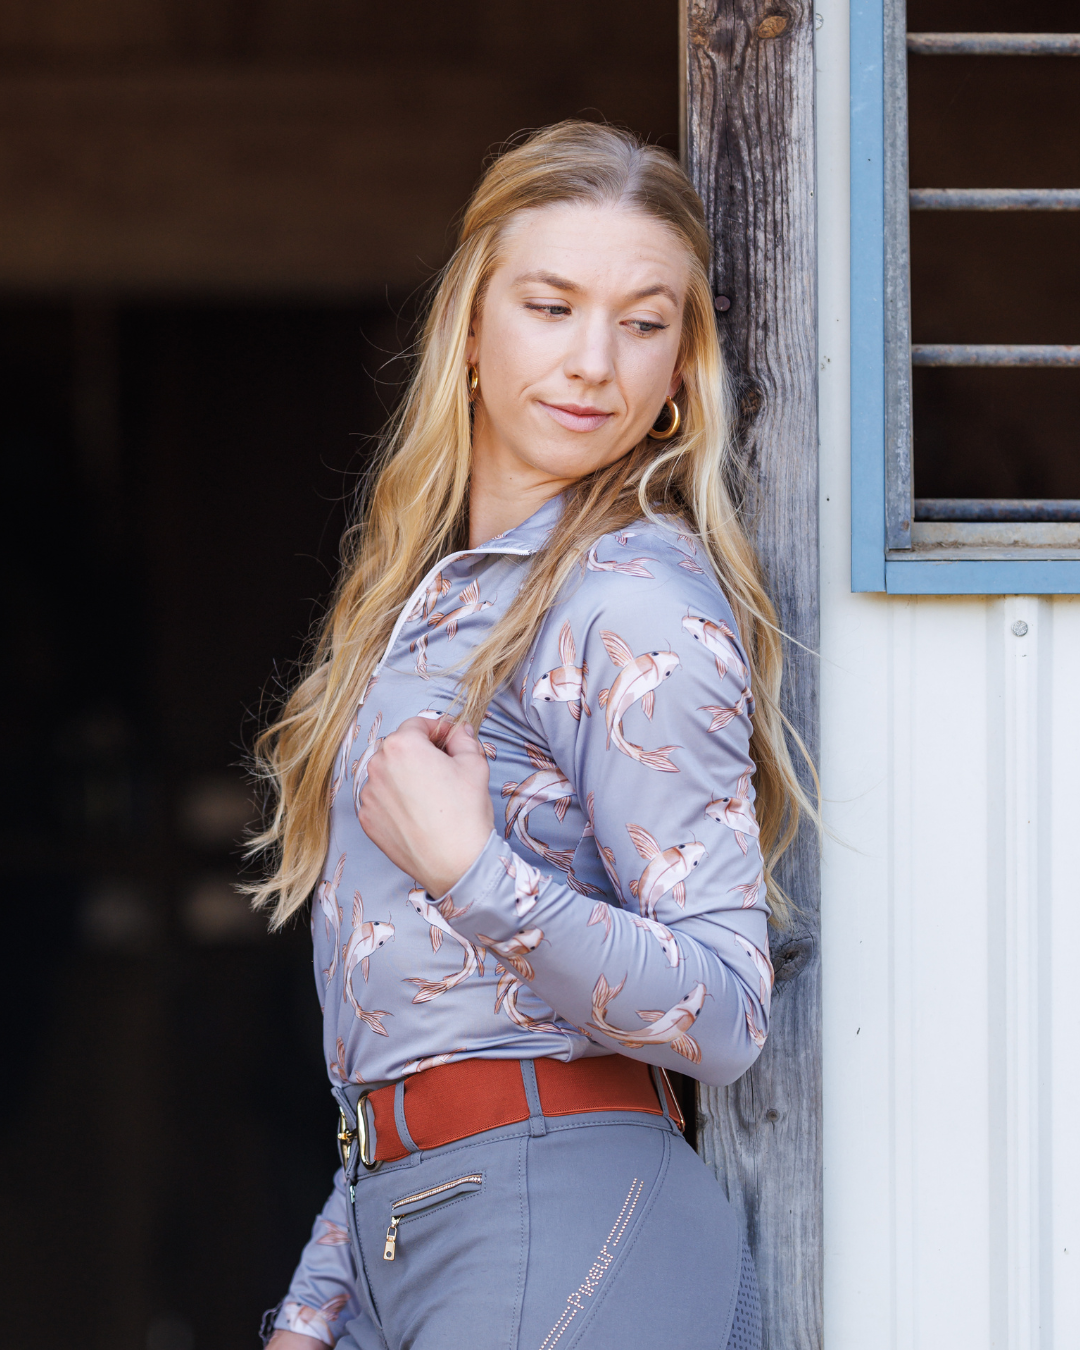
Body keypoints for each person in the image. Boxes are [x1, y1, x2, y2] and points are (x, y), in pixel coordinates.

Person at [254, 120, 811, 1350]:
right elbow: (419, 1027)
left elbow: (725, 1011)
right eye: (551, 307)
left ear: (682, 368)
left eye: (643, 323)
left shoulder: (633, 601)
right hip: (411, 1217)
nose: (593, 363)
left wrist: (472, 871)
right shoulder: (436, 599)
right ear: (470, 326)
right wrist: (319, 1299)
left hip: (561, 1214)